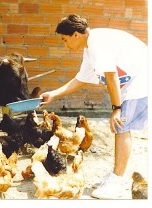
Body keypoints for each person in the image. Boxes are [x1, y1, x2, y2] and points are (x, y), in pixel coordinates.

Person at [40, 14, 148, 199]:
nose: (65, 45)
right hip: (132, 81)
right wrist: (54, 94)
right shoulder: (89, 48)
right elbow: (80, 79)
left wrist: (116, 108)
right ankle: (118, 174)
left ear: (76, 35)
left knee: (121, 125)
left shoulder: (97, 43)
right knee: (120, 127)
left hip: (142, 78)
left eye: (65, 40)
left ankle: (118, 181)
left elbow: (111, 75)